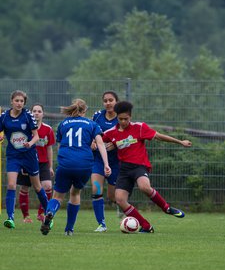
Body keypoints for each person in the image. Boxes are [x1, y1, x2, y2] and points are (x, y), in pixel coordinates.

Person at [102, 101, 192, 233]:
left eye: (125, 119)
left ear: (130, 117)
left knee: (144, 187)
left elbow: (159, 137)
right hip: (124, 170)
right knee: (120, 200)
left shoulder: (139, 127)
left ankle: (166, 208)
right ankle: (146, 226)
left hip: (139, 166)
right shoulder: (111, 133)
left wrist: (180, 142)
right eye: (120, 119)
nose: (123, 122)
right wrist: (97, 145)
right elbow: (99, 142)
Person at [40, 98, 111, 236]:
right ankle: (69, 229)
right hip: (84, 164)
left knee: (58, 196)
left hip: (66, 163)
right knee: (75, 193)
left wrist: (61, 162)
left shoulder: (63, 124)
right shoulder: (92, 124)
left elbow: (60, 147)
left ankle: (50, 212)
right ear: (84, 111)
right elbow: (101, 144)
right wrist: (106, 164)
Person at [0, 90, 48, 229]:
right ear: (12, 101)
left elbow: (36, 136)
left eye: (22, 101)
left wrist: (30, 143)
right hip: (13, 156)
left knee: (37, 186)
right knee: (11, 185)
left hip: (29, 156)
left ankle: (49, 213)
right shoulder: (4, 117)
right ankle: (10, 218)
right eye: (17, 101)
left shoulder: (28, 116)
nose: (19, 103)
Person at [17, 103, 55, 223]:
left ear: (43, 114)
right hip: (27, 161)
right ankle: (26, 216)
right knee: (24, 187)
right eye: (34, 111)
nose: (36, 113)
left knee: (48, 186)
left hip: (43, 163)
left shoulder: (48, 129)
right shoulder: (25, 128)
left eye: (39, 111)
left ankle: (42, 213)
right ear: (31, 113)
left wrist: (50, 166)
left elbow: (49, 148)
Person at [91, 90, 122, 233]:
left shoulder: (121, 118)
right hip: (98, 160)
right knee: (96, 189)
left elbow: (129, 137)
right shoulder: (97, 116)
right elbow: (90, 132)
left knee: (112, 195)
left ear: (116, 101)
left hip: (116, 161)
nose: (108, 103)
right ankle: (102, 224)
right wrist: (92, 142)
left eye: (111, 100)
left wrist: (116, 144)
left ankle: (121, 206)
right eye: (105, 100)